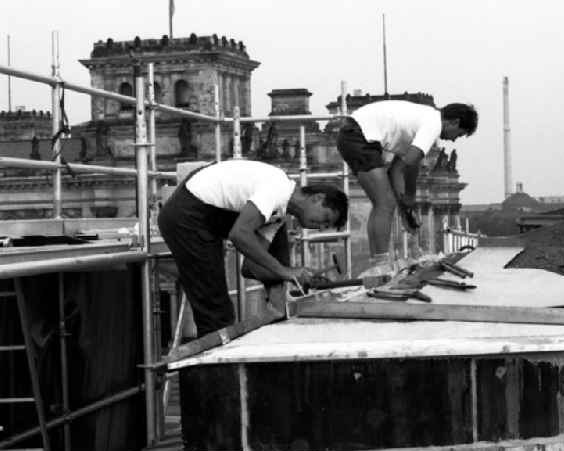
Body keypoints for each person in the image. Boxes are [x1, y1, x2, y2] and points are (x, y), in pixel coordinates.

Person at [158, 159, 348, 337]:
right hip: (187, 215)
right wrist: (285, 271)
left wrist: (295, 275)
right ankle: (211, 371)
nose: (320, 226)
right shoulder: (278, 188)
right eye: (325, 218)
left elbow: (251, 268)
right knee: (216, 314)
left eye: (325, 226)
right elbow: (239, 234)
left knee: (219, 311)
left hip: (205, 216)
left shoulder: (278, 216)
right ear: (317, 198)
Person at [336, 100, 478, 272]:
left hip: (355, 135)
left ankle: (378, 263)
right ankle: (380, 265)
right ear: (454, 121)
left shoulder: (425, 118)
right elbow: (400, 170)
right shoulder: (432, 124)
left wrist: (407, 207)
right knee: (385, 203)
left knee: (382, 203)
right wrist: (407, 208)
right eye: (459, 133)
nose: (455, 139)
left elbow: (405, 168)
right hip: (359, 137)